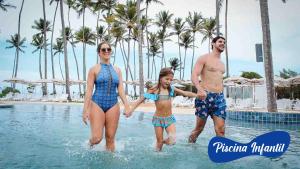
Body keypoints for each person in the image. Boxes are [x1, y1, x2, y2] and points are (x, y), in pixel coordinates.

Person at [125, 68, 197, 151]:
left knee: (172, 141)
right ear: (160, 78)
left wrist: (197, 95)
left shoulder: (170, 89)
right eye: (167, 79)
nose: (168, 82)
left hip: (169, 119)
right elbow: (141, 100)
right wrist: (131, 110)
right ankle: (157, 153)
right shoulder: (154, 90)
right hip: (158, 120)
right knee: (159, 145)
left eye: (170, 80)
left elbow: (185, 93)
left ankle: (161, 142)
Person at [82, 41, 130, 151]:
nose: (106, 51)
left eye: (109, 49)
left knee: (110, 138)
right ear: (99, 53)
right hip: (97, 103)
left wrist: (127, 106)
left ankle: (109, 162)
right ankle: (89, 145)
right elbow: (89, 90)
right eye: (103, 49)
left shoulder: (117, 70)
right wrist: (85, 110)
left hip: (113, 104)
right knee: (97, 138)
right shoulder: (93, 69)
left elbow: (121, 89)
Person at [188, 36, 227, 143]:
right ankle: (190, 145)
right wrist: (199, 89)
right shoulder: (204, 58)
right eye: (220, 41)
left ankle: (221, 154)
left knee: (221, 130)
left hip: (219, 98)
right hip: (204, 96)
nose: (222, 43)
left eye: (224, 42)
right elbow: (194, 75)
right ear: (213, 43)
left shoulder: (222, 64)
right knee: (199, 129)